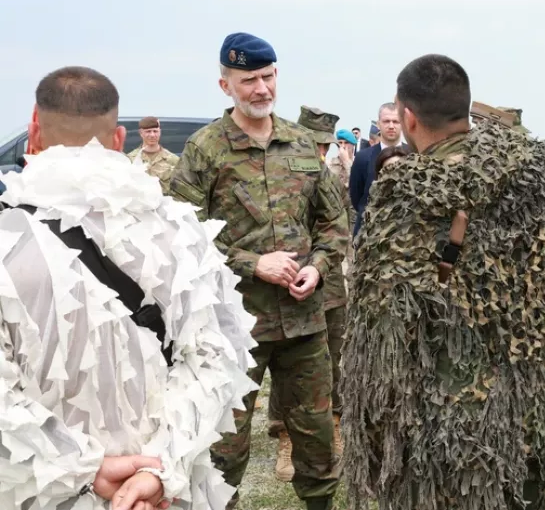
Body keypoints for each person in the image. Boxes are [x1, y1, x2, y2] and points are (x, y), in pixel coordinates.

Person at [341, 54, 545, 510]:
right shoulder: (542, 170)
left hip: (456, 434)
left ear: (409, 118)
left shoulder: (403, 197)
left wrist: (376, 444)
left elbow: (382, 343)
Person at [0, 66, 257, 510]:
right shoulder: (182, 232)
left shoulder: (7, 240)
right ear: (119, 139)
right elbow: (218, 360)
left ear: (34, 132)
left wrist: (82, 467)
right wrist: (158, 466)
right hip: (163, 494)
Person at [169, 32, 348, 510]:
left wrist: (319, 267)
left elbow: (334, 222)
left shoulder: (303, 143)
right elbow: (181, 233)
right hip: (234, 327)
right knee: (225, 447)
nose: (261, 89)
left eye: (268, 77)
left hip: (304, 320)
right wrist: (252, 264)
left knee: (316, 437)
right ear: (225, 85)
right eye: (248, 80)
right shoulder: (205, 149)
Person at [265, 105, 351, 482]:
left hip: (329, 287)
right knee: (284, 366)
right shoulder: (280, 175)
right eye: (313, 143)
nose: (318, 152)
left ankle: (332, 429)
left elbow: (340, 226)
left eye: (323, 146)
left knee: (332, 363)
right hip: (285, 290)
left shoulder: (331, 178)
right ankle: (285, 437)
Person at [348, 102, 404, 237]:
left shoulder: (414, 155)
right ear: (378, 124)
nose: (391, 126)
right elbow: (357, 197)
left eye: (396, 121)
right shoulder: (363, 157)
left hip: (404, 236)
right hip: (368, 236)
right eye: (386, 121)